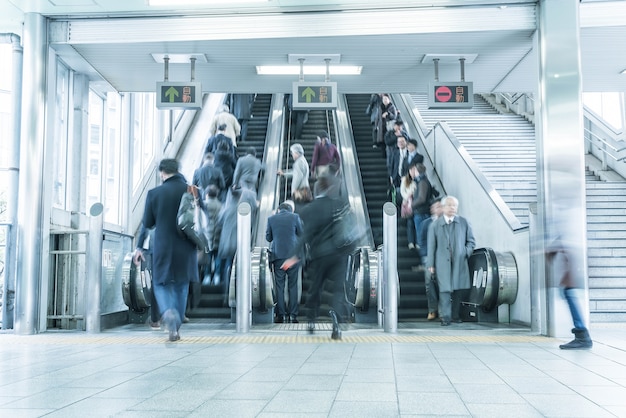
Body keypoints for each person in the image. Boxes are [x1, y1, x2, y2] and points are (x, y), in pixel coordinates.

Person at [133, 159, 197, 342]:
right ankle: (176, 326)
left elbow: (147, 224)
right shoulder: (191, 190)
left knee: (161, 283)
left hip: (163, 246)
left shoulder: (155, 193)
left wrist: (139, 248)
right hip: (187, 245)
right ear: (178, 170)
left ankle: (168, 312)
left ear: (162, 173)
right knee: (182, 285)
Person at [282, 175, 351, 340]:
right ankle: (336, 319)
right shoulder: (338, 204)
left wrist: (293, 256)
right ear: (328, 189)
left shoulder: (308, 209)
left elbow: (305, 236)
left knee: (316, 288)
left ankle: (311, 320)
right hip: (338, 254)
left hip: (319, 256)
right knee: (338, 290)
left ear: (316, 191)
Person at [426, 195, 476, 326]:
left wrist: (465, 252)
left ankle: (455, 315)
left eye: (454, 205)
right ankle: (445, 317)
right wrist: (430, 264)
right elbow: (431, 247)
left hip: (459, 262)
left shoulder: (464, 222)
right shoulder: (435, 225)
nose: (452, 208)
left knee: (458, 290)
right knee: (445, 291)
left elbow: (471, 242)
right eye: (449, 205)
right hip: (442, 262)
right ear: (443, 207)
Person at [546, 238, 593, 349]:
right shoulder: (567, 243)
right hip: (571, 280)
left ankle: (582, 337)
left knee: (571, 297)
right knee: (570, 296)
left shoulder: (568, 243)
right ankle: (582, 336)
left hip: (572, 280)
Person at [266, 201, 303, 323]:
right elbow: (301, 233)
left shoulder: (271, 219)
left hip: (278, 257)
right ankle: (293, 315)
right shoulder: (295, 217)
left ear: (278, 210)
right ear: (290, 209)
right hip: (292, 257)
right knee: (293, 286)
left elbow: (268, 238)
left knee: (279, 286)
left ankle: (281, 315)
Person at [419, 198, 443, 320]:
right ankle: (432, 309)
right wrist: (425, 256)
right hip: (429, 258)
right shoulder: (425, 223)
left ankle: (443, 310)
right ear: (432, 209)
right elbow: (422, 241)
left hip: (444, 258)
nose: (439, 209)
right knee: (429, 283)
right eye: (437, 206)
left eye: (441, 206)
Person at [135, 223, 160, 329]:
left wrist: (139, 248)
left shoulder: (152, 206)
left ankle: (155, 319)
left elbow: (146, 222)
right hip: (172, 246)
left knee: (157, 282)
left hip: (156, 246)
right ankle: (170, 315)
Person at [200, 185, 222, 286]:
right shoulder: (221, 206)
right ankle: (217, 276)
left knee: (207, 256)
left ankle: (207, 276)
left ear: (207, 194)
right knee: (217, 256)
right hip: (218, 234)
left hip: (206, 235)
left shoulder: (203, 205)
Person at [411, 163, 433, 254]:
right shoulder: (422, 181)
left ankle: (425, 262)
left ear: (416, 171)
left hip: (421, 213)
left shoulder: (422, 182)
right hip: (422, 212)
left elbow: (421, 198)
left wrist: (411, 205)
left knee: (422, 239)